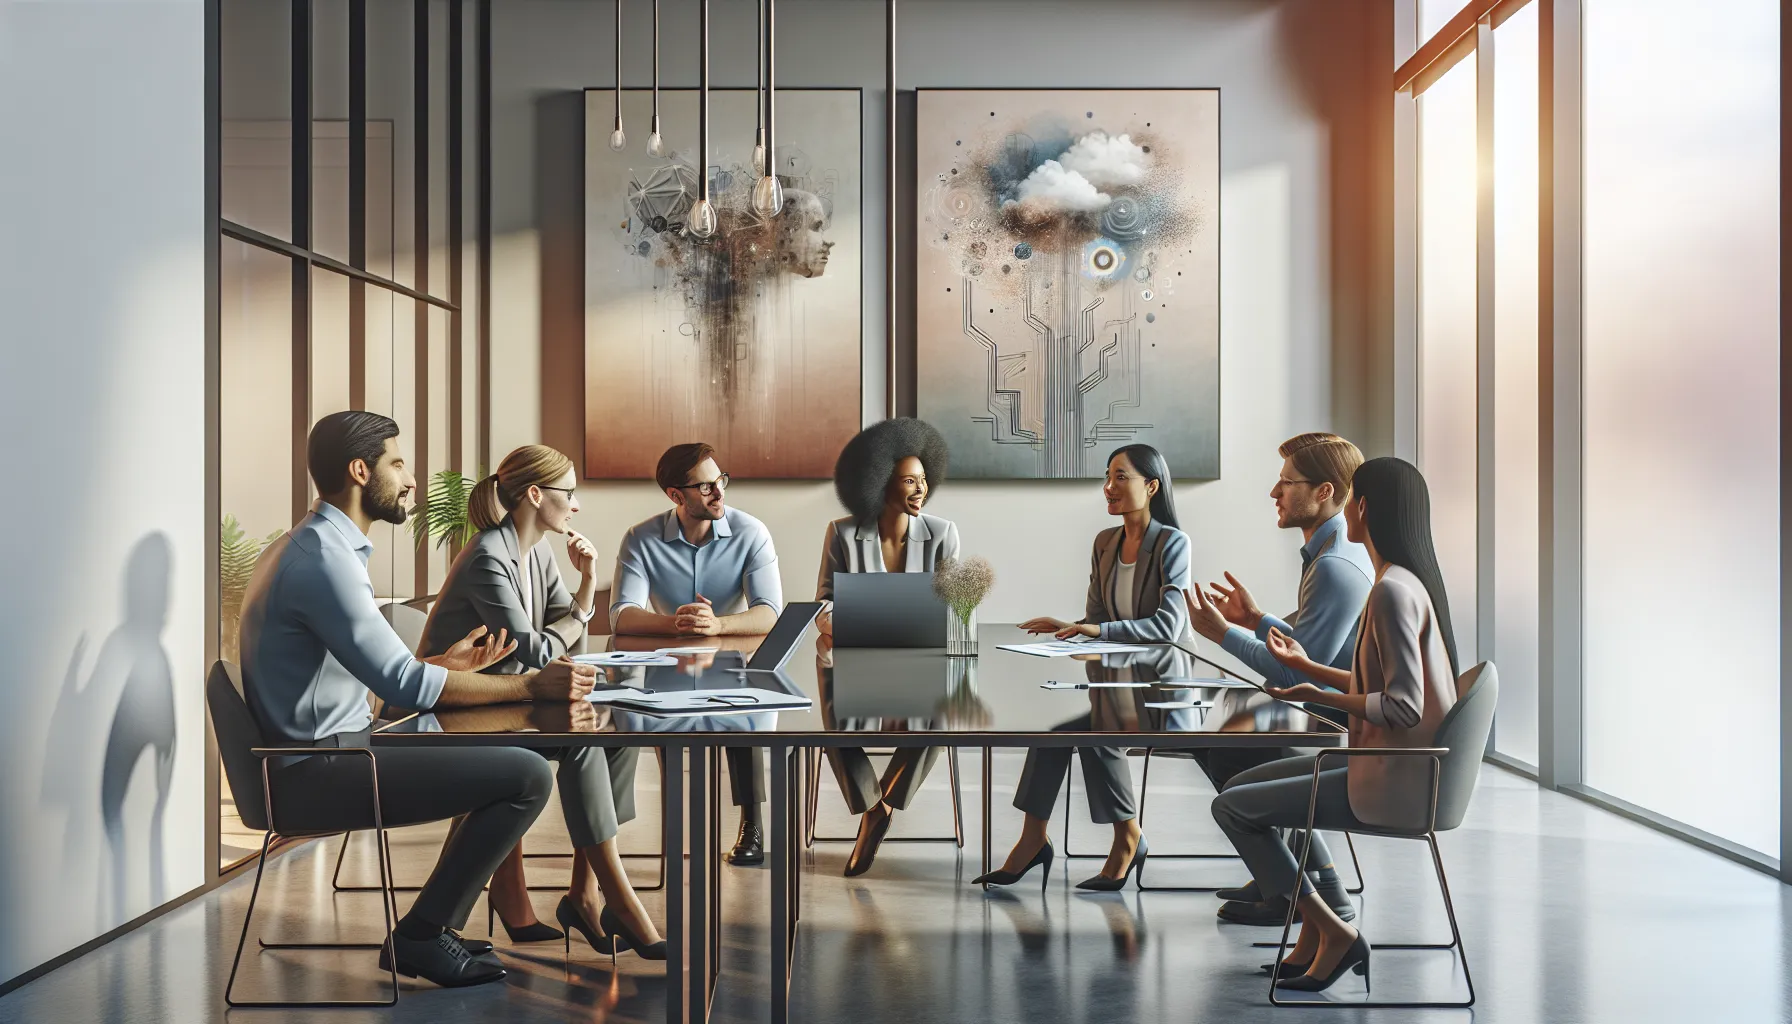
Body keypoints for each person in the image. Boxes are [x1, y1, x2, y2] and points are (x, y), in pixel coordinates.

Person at [238, 412, 598, 988]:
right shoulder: (324, 561)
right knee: (527, 775)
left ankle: (436, 929)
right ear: (361, 471)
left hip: (338, 746)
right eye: (398, 463)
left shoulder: (316, 546)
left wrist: (438, 667)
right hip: (321, 768)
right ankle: (423, 935)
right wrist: (530, 685)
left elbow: (376, 675)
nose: (411, 480)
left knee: (509, 753)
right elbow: (401, 687)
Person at [1211, 457, 1463, 992]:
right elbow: (1377, 678)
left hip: (1390, 781)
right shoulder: (1402, 582)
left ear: (1363, 508)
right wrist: (1308, 672)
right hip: (1390, 769)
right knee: (1238, 787)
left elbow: (1402, 707)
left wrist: (1331, 696)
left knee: (1231, 806)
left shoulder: (1391, 593)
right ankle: (1313, 933)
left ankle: (1330, 928)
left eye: (1350, 499)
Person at [417, 444, 663, 958]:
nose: (575, 506)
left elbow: (561, 644)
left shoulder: (536, 553)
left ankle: (584, 891)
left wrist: (588, 583)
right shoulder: (489, 556)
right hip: (451, 712)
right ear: (534, 494)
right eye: (568, 493)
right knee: (581, 742)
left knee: (621, 734)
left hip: (502, 704)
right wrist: (577, 611)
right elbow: (534, 648)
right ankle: (618, 898)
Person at [977, 444, 1192, 891]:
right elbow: (1095, 618)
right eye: (1107, 476)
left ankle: (1128, 839)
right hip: (1118, 680)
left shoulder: (1172, 544)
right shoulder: (1105, 542)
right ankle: (1033, 839)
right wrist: (1073, 630)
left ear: (1151, 486)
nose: (1107, 487)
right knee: (1054, 729)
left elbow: (1169, 626)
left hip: (1163, 686)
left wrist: (1094, 633)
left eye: (1120, 477)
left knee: (1099, 733)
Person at [1181, 432, 1371, 925]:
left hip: (1333, 721)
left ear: (1324, 491)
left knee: (1227, 745)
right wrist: (1257, 620)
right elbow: (1309, 646)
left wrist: (1221, 633)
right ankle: (1285, 874)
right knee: (1216, 741)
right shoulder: (1329, 553)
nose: (1274, 492)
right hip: (1325, 707)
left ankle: (1296, 889)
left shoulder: (1334, 565)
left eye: (1286, 483)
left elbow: (1294, 668)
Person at [610, 442, 783, 865]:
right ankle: (651, 826)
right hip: (666, 664)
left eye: (720, 481)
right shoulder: (640, 538)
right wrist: (679, 623)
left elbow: (770, 613)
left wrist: (718, 623)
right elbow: (621, 615)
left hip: (733, 662)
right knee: (630, 712)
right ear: (675, 495)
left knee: (748, 704)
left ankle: (752, 821)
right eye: (705, 487)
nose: (719, 494)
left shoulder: (751, 532)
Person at [815, 418, 960, 876]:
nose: (921, 489)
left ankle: (885, 805)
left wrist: (879, 621)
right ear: (880, 482)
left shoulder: (942, 534)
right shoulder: (841, 533)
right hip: (856, 655)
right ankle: (870, 808)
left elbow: (955, 611)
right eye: (909, 481)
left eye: (923, 479)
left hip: (919, 659)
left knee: (944, 707)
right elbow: (824, 607)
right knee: (834, 709)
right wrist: (874, 624)